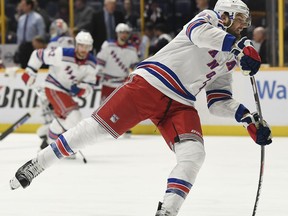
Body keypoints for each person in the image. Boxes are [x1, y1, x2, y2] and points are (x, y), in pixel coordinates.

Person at [10, 1, 272, 216]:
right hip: (150, 83)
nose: (243, 25)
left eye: (245, 22)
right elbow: (199, 36)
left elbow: (217, 101)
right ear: (224, 15)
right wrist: (239, 47)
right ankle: (37, 164)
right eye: (239, 19)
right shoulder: (207, 20)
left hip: (181, 103)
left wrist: (247, 118)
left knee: (194, 154)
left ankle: (167, 212)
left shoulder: (229, 56)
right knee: (93, 131)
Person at [19, 31, 97, 149]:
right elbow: (38, 54)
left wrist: (82, 90)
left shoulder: (91, 63)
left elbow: (89, 86)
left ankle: (49, 140)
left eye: (87, 47)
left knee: (64, 118)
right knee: (74, 114)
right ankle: (63, 145)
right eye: (81, 45)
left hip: (66, 93)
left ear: (90, 47)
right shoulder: (62, 54)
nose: (83, 49)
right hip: (53, 87)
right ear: (76, 45)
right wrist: (30, 71)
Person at [96, 23, 139, 104]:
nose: (124, 35)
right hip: (107, 83)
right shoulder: (108, 45)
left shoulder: (132, 49)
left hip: (122, 84)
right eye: (122, 32)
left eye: (126, 33)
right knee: (103, 109)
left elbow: (134, 67)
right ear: (117, 33)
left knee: (119, 111)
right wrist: (98, 73)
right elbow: (100, 61)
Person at [15, 0, 46, 68]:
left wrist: (39, 45)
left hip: (33, 46)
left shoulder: (38, 18)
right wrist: (18, 46)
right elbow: (19, 34)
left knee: (33, 67)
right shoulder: (21, 19)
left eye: (23, 5)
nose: (21, 7)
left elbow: (41, 33)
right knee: (23, 67)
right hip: (23, 46)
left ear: (29, 6)